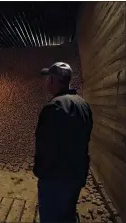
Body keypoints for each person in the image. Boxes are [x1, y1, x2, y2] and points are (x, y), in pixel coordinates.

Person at [33, 62, 93, 223]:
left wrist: (40, 172)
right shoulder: (83, 104)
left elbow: (45, 148)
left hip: (56, 179)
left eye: (48, 78)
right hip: (77, 174)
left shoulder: (53, 108)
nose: (46, 82)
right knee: (69, 214)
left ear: (52, 80)